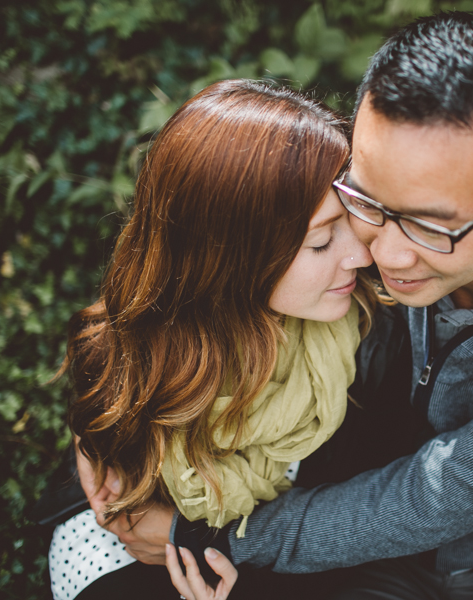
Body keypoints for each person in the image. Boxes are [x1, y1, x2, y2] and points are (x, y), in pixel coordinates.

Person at [104, 11, 473, 599]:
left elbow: (424, 501)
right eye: (368, 201)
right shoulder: (354, 218)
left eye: (428, 227)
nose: (384, 255)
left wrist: (211, 536)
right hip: (325, 494)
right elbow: (223, 245)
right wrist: (108, 433)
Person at [44, 78, 378, 599]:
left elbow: (361, 523)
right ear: (231, 259)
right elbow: (114, 498)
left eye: (350, 221)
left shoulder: (365, 329)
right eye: (319, 242)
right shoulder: (135, 359)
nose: (361, 254)